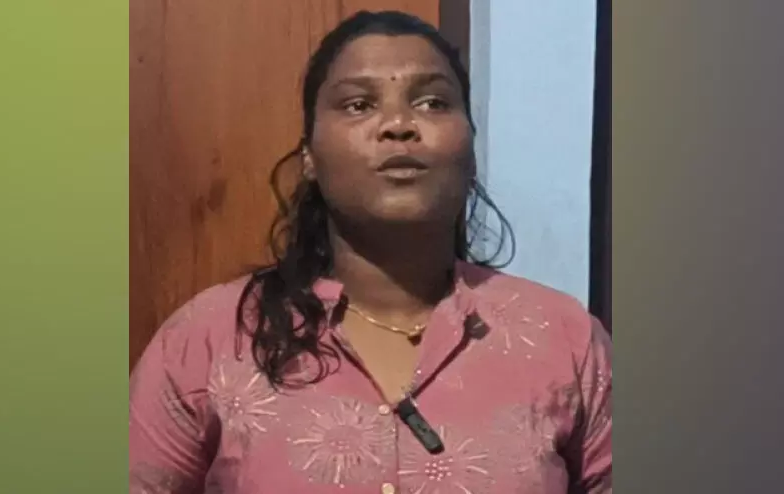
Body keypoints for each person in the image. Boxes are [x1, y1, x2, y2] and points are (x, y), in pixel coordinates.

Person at [129, 10, 612, 494]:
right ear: (309, 156)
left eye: (432, 102)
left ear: (470, 147)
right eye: (358, 104)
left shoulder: (566, 341)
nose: (399, 125)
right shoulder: (206, 342)